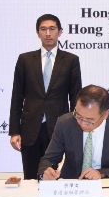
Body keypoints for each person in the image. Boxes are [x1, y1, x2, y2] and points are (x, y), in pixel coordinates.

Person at [9, 14, 82, 179]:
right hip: (30, 127)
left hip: (58, 126)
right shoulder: (25, 59)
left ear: (60, 32)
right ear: (37, 33)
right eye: (43, 29)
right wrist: (14, 131)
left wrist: (75, 128)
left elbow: (76, 97)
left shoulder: (71, 60)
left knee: (52, 175)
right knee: (30, 176)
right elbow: (17, 96)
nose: (48, 33)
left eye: (52, 29)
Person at [38, 85, 109, 180]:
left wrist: (101, 173)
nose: (82, 124)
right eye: (79, 116)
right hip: (72, 184)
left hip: (105, 187)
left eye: (89, 120)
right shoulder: (65, 123)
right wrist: (46, 172)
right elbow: (49, 159)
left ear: (105, 114)